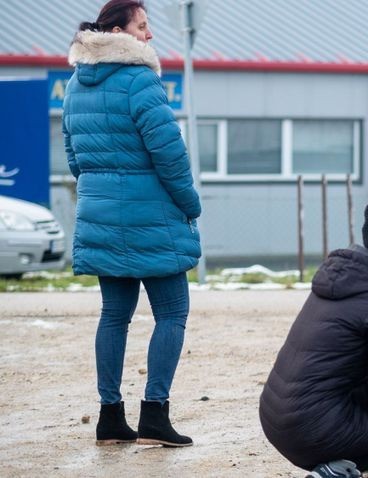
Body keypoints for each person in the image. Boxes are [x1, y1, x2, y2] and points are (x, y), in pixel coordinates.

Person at [62, 0, 201, 447]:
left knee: (114, 315)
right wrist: (189, 204)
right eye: (143, 26)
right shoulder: (141, 81)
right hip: (152, 216)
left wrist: (102, 191)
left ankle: (110, 417)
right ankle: (155, 415)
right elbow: (170, 155)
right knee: (173, 311)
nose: (149, 35)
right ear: (120, 32)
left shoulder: (75, 85)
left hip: (100, 214)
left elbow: (73, 157)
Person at [259, 182, 368, 478]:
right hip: (311, 432)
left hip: (277, 419)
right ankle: (333, 472)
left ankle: (343, 467)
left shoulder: (337, 280)